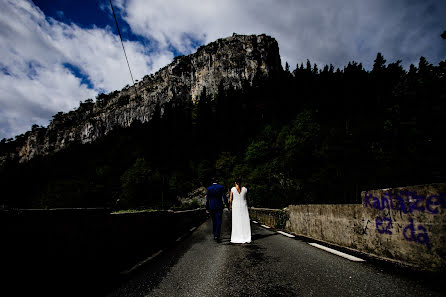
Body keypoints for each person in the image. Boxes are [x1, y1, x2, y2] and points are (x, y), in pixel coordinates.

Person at [206, 178, 229, 242]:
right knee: (219, 221)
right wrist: (228, 205)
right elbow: (224, 197)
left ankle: (214, 234)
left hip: (212, 206)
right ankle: (217, 235)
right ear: (217, 181)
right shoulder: (220, 187)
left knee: (214, 221)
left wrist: (207, 208)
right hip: (219, 206)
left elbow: (207, 199)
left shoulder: (209, 188)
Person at [229, 177, 251, 243]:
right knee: (245, 220)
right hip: (244, 206)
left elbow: (230, 199)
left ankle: (237, 236)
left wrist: (230, 205)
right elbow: (247, 198)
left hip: (236, 206)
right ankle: (246, 236)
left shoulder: (233, 189)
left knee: (236, 221)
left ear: (235, 182)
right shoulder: (245, 189)